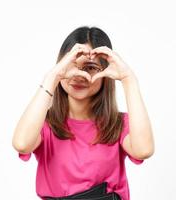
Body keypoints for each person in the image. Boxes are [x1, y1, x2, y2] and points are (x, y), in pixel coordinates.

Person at [12, 26, 155, 200]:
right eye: (72, 66)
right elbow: (21, 144)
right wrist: (53, 77)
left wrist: (128, 79)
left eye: (90, 67)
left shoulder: (118, 124)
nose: (79, 75)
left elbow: (144, 150)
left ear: (105, 72)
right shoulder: (44, 123)